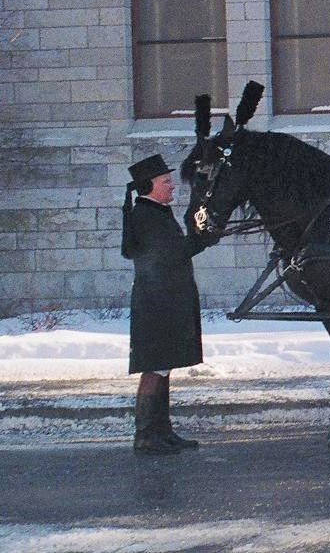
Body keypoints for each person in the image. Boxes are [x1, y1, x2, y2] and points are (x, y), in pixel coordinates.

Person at [121, 153, 210, 454]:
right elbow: (172, 254)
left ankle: (162, 431)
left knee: (163, 367)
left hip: (164, 301)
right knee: (154, 368)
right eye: (166, 181)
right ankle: (146, 435)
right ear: (150, 186)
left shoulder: (155, 212)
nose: (172, 186)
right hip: (157, 305)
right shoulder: (146, 216)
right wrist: (203, 237)